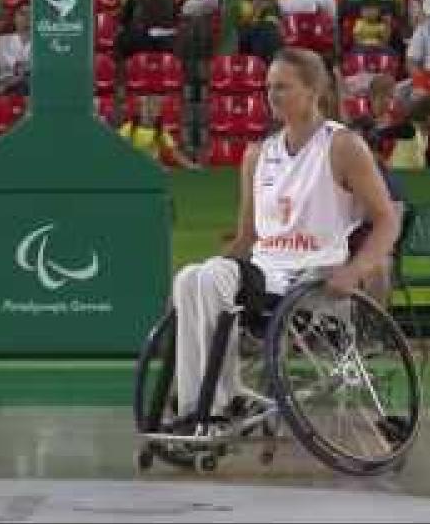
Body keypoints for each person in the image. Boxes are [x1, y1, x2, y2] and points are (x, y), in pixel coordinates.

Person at [169, 47, 400, 428]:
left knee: (209, 277)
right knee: (191, 277)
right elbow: (248, 238)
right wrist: (198, 282)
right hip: (264, 272)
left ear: (313, 91)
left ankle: (213, 406)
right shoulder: (257, 154)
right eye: (267, 87)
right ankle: (203, 405)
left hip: (311, 278)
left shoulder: (342, 145)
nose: (271, 96)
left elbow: (387, 220)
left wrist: (357, 270)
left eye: (282, 87)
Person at [118, 95, 200, 170]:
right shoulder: (128, 128)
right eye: (146, 109)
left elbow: (175, 153)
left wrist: (190, 165)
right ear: (141, 110)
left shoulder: (160, 131)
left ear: (158, 113)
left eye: (153, 110)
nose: (149, 113)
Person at [0, 2, 32, 95]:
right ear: (14, 17)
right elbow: (6, 64)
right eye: (22, 14)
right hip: (6, 83)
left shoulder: (42, 43)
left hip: (32, 84)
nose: (27, 18)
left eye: (30, 14)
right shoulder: (1, 40)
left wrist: (20, 74)